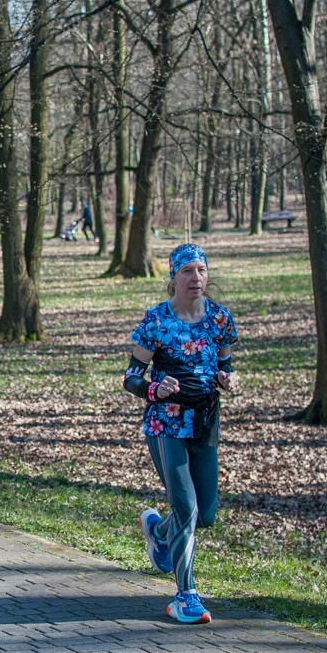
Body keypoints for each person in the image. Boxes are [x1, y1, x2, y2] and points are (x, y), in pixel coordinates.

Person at [124, 243, 239, 626]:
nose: (196, 278)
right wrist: (155, 390)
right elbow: (131, 378)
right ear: (173, 276)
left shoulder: (220, 319)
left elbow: (225, 364)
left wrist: (228, 378)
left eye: (201, 270)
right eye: (188, 271)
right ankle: (185, 595)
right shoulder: (157, 320)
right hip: (166, 423)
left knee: (205, 514)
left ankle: (159, 532)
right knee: (186, 508)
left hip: (205, 422)